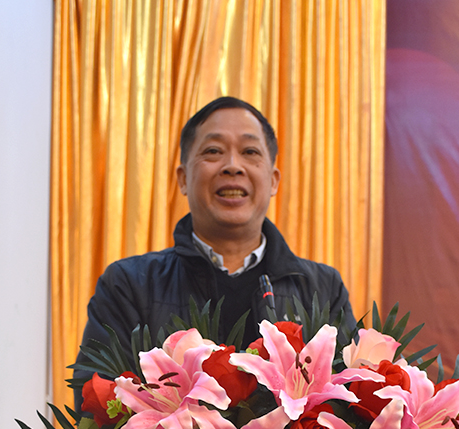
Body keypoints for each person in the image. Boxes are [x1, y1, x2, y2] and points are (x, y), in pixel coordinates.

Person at [74, 96, 356, 398]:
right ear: (183, 178)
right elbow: (96, 399)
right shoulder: (129, 285)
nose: (233, 166)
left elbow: (350, 399)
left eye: (250, 152)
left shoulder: (322, 289)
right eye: (213, 151)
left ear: (273, 181)